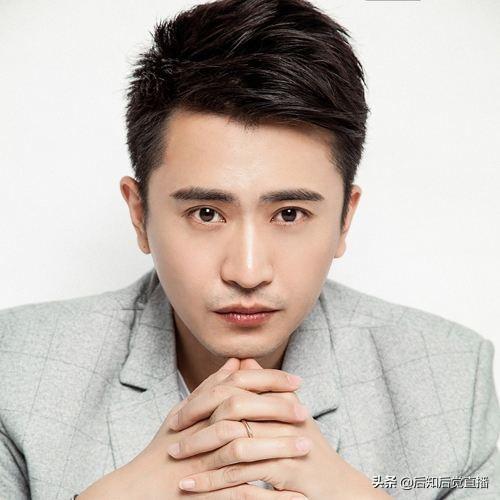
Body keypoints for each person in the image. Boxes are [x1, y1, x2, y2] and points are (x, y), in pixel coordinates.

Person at [1, 0, 498, 498]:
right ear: (139, 214)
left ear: (345, 219)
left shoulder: (451, 377)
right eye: (206, 213)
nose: (248, 271)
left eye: (289, 214)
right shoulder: (15, 367)